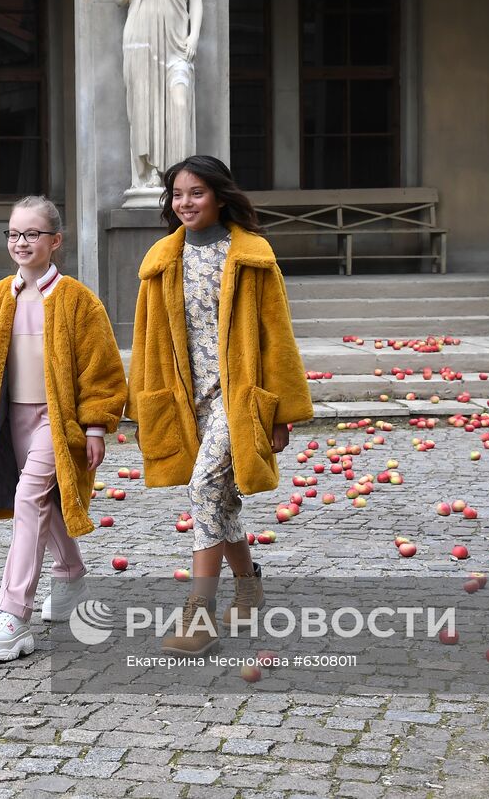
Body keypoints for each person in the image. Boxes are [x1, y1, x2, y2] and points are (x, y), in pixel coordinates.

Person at [127, 155, 312, 655]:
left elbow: (277, 337)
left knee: (204, 485)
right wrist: (145, 409)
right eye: (177, 195)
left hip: (239, 397)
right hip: (189, 400)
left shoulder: (250, 254)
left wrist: (281, 412)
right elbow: (146, 342)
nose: (185, 203)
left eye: (196, 193)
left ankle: (200, 612)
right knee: (222, 501)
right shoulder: (161, 260)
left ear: (220, 196)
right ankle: (249, 589)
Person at [0, 196, 128, 662]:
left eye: (32, 234)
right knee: (43, 499)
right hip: (10, 418)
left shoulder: (79, 300)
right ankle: (72, 574)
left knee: (28, 497)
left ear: (54, 241)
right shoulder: (0, 296)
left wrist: (96, 425)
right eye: (14, 234)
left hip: (55, 420)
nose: (21, 242)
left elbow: (102, 370)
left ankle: (12, 616)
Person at [115, 0, 202, 197]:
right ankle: (150, 174)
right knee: (144, 102)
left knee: (178, 102)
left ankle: (177, 175)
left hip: (177, 39)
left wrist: (194, 35)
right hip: (140, 37)